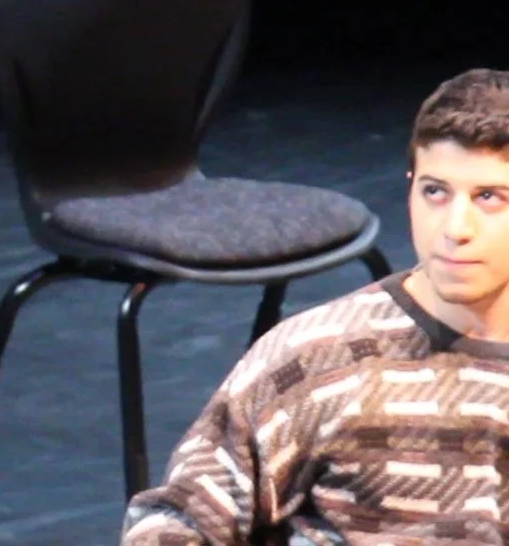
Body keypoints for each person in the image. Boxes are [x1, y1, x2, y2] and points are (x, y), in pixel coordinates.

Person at [123, 67, 509, 546]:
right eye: (435, 192)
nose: (455, 228)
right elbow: (175, 519)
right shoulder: (320, 359)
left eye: (489, 198)